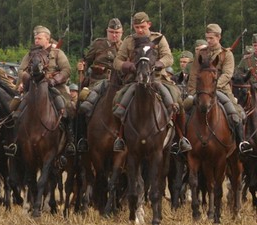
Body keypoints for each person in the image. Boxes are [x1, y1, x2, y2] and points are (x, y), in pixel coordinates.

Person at [112, 12, 188, 153]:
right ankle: (120, 137)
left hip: (158, 79)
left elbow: (168, 57)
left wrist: (157, 64)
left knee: (177, 99)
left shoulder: (158, 38)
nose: (139, 30)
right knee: (117, 99)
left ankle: (181, 137)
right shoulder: (129, 41)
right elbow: (117, 61)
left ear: (149, 24)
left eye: (142, 26)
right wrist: (129, 66)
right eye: (136, 27)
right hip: (135, 79)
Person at [185, 24, 250, 154]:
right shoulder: (201, 53)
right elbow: (194, 74)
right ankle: (181, 141)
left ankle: (241, 143)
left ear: (219, 37)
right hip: (201, 91)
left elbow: (227, 74)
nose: (208, 41)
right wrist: (191, 92)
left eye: (211, 38)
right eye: (207, 38)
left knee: (236, 114)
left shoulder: (227, 54)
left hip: (221, 90)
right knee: (184, 111)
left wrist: (213, 87)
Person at [12, 26, 75, 154]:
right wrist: (25, 79)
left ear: (47, 39)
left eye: (39, 38)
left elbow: (66, 70)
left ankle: (70, 140)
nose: (36, 41)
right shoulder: (30, 54)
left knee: (68, 109)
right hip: (34, 88)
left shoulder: (57, 53)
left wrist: (54, 80)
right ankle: (15, 142)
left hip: (54, 87)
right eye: (35, 38)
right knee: (17, 111)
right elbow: (20, 70)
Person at [75, 18, 124, 151]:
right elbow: (87, 61)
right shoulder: (98, 44)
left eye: (117, 32)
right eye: (112, 32)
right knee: (82, 102)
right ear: (107, 32)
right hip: (97, 82)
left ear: (122, 33)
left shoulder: (125, 46)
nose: (114, 35)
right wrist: (82, 67)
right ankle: (81, 138)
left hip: (118, 84)